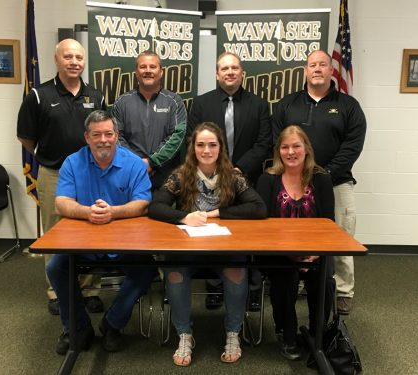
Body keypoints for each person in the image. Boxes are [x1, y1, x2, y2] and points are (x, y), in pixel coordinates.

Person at [148, 122, 266, 367]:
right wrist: (183, 217)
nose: (206, 150)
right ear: (193, 148)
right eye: (200, 144)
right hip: (188, 250)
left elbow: (258, 207)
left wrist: (217, 213)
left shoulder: (232, 176)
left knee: (237, 270)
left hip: (224, 249)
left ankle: (233, 333)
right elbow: (155, 206)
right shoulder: (181, 175)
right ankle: (184, 334)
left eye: (212, 144)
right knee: (174, 272)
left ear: (220, 147)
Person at [46, 110, 157, 355]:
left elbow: (143, 203)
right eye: (97, 134)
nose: (103, 140)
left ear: (116, 135)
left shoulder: (133, 164)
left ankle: (112, 323)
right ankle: (77, 328)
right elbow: (61, 203)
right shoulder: (72, 163)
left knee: (147, 268)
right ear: (87, 137)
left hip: (124, 244)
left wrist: (113, 212)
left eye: (108, 134)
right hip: (84, 243)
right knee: (55, 267)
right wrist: (87, 212)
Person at [272, 50, 366, 315]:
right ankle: (305, 280)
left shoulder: (348, 106)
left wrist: (323, 177)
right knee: (299, 236)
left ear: (330, 70)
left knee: (341, 238)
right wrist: (298, 177)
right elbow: (277, 140)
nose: (317, 69)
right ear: (305, 70)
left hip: (337, 183)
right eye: (312, 65)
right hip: (294, 185)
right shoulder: (288, 104)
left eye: (322, 64)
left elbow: (352, 146)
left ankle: (344, 291)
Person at [17, 38, 106, 315]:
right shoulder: (39, 95)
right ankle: (57, 291)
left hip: (91, 174)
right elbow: (26, 136)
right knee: (56, 232)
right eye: (68, 57)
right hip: (53, 173)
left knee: (91, 230)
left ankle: (89, 289)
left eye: (79, 58)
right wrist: (52, 157)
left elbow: (103, 133)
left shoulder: (96, 95)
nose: (74, 62)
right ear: (57, 60)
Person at [188, 52, 272, 310]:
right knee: (214, 235)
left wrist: (237, 169)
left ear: (242, 73)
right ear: (217, 74)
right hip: (210, 180)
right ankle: (215, 288)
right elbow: (193, 141)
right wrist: (217, 170)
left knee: (249, 237)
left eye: (235, 68)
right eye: (224, 68)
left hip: (246, 179)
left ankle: (252, 289)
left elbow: (264, 142)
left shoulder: (259, 104)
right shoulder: (201, 104)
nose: (230, 72)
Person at [256, 125, 335, 360]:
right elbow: (262, 226)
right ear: (278, 151)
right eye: (285, 147)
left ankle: (316, 332)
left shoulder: (321, 179)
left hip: (315, 251)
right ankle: (287, 334)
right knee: (285, 278)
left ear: (306, 149)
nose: (291, 152)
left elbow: (329, 223)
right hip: (277, 252)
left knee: (324, 280)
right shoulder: (267, 180)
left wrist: (315, 253)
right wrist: (290, 253)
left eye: (296, 146)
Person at [112, 50, 186, 189]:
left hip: (167, 178)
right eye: (143, 66)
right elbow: (116, 136)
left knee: (162, 210)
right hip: (130, 174)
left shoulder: (175, 102)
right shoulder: (122, 102)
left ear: (161, 72)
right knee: (132, 211)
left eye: (152, 67)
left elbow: (177, 136)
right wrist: (137, 163)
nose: (148, 70)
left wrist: (152, 162)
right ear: (136, 71)